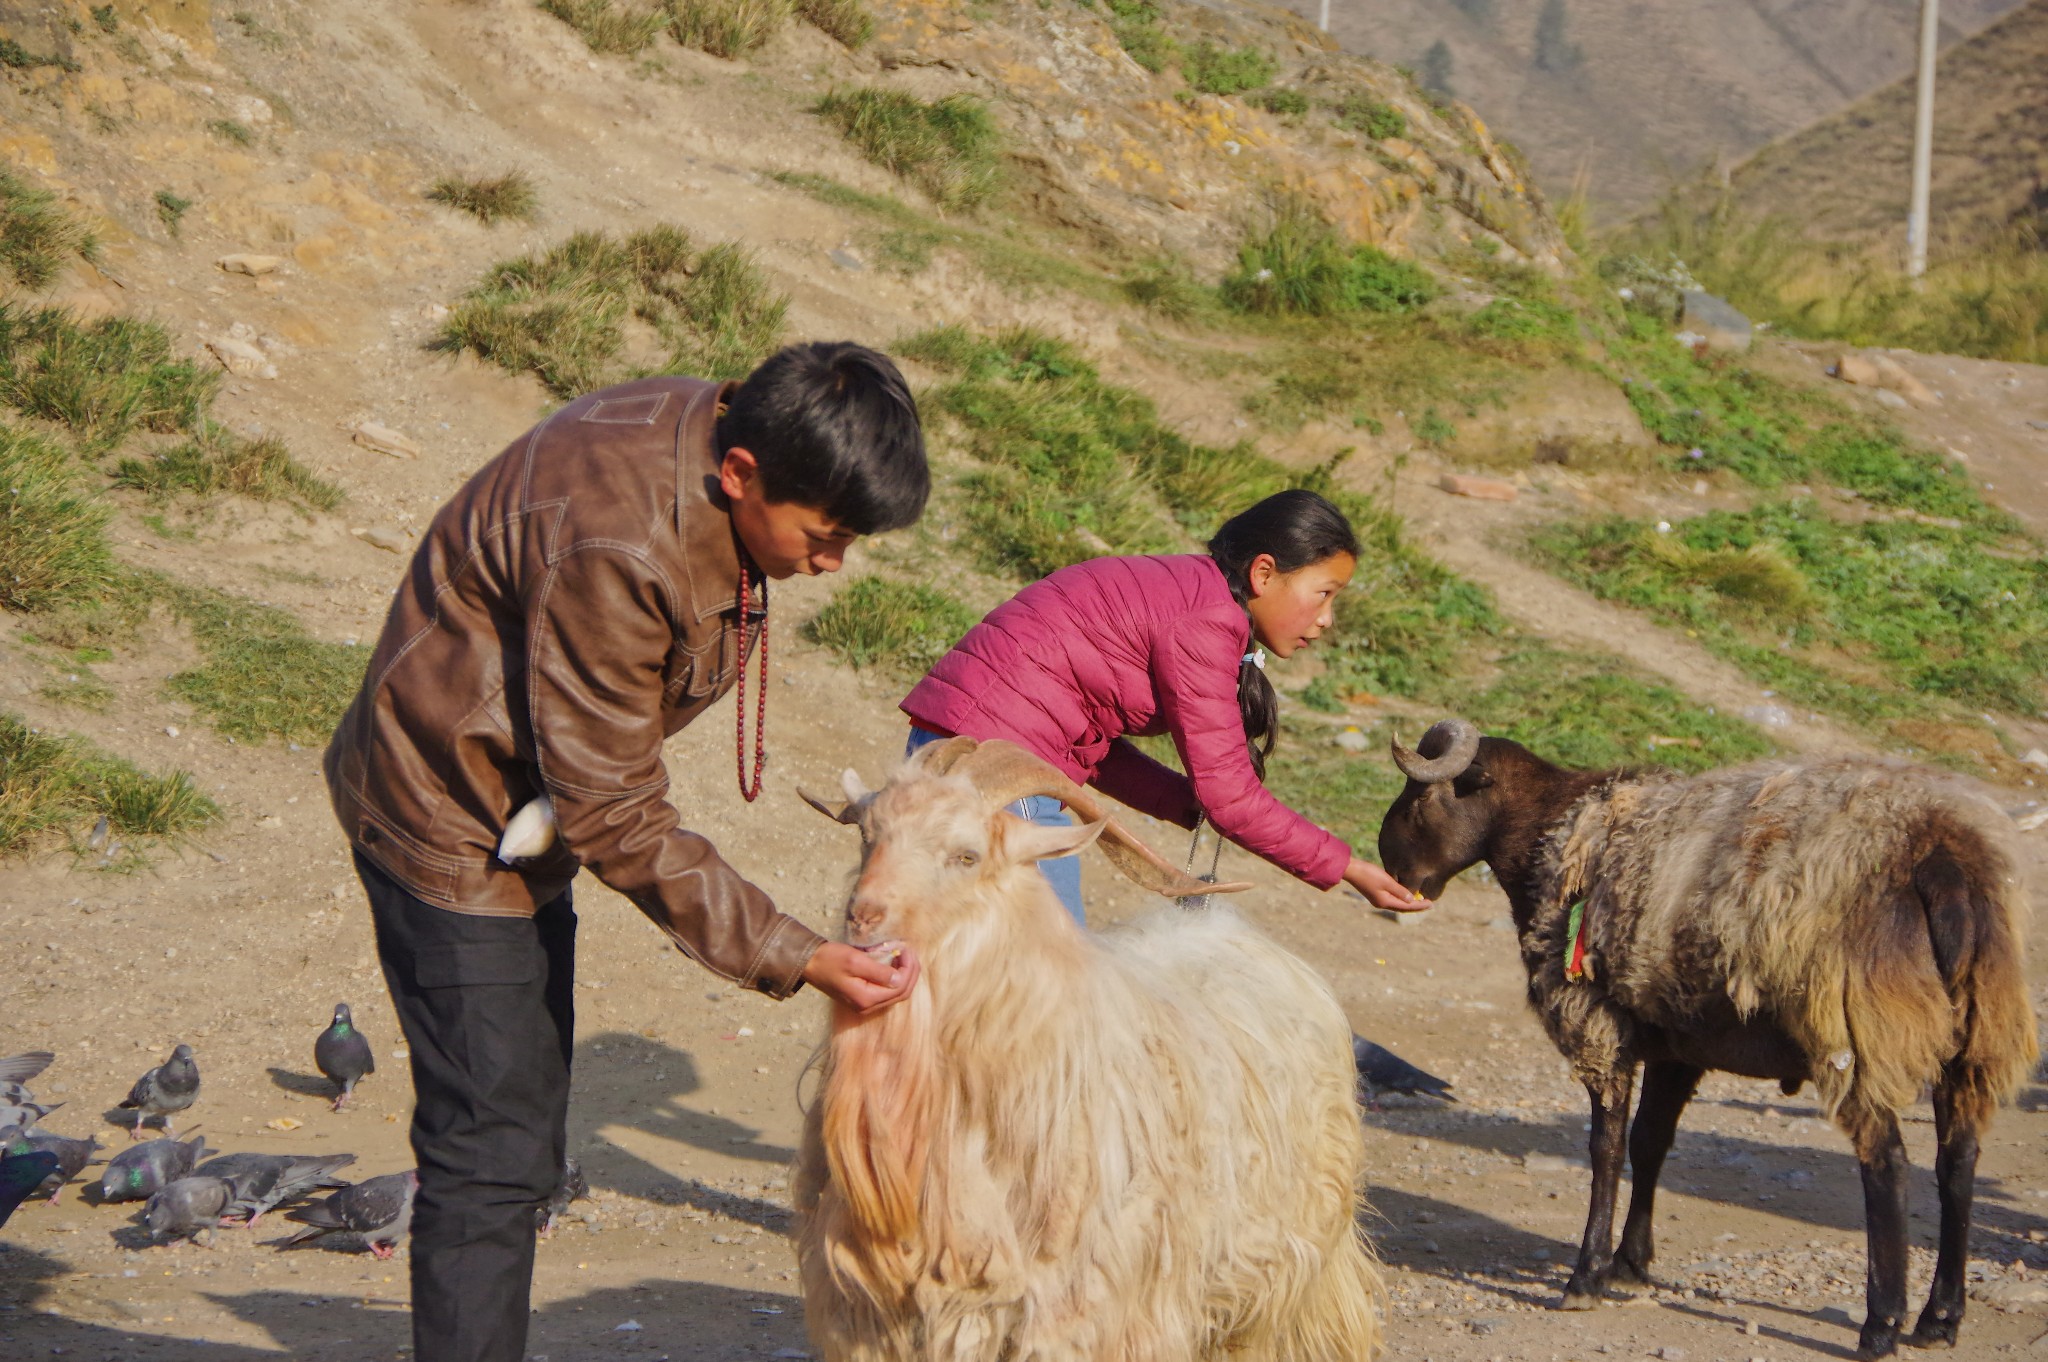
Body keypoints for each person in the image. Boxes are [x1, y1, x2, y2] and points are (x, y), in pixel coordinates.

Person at [324, 342, 928, 1362]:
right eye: (822, 537)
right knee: (490, 1155)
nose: (831, 565)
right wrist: (795, 954)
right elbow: (614, 810)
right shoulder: (621, 544)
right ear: (740, 474)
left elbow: (595, 784)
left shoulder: (720, 430)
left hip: (522, 810)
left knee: (517, 1129)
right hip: (448, 815)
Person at [901, 488, 1427, 922]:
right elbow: (1234, 799)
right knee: (1059, 976)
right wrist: (1349, 868)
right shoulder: (1206, 620)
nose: (1328, 619)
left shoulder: (1192, 593)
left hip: (971, 750)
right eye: (1324, 593)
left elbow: (1087, 743)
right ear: (1264, 574)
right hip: (996, 771)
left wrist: (1185, 804)